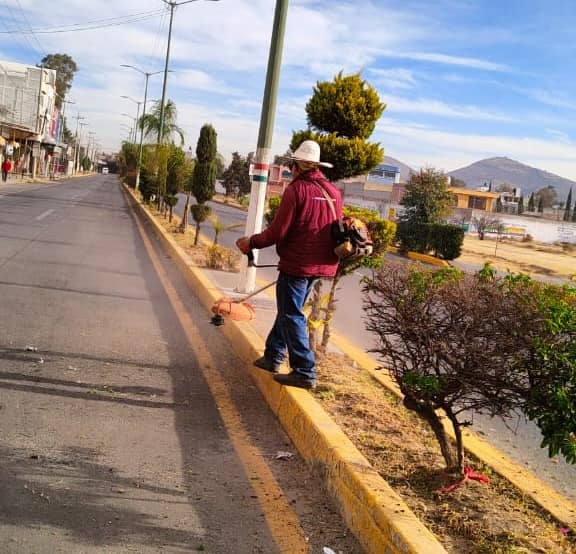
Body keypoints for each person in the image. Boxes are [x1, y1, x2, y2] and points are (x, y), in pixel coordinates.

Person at [236, 140, 342, 390]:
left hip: (297, 265)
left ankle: (305, 370)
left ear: (296, 166)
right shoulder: (333, 192)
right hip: (322, 265)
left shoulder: (296, 191)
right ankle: (273, 356)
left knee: (291, 313)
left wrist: (250, 242)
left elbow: (278, 232)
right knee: (288, 310)